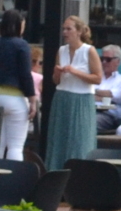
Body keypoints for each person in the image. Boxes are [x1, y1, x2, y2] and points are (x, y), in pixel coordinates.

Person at [41, 16, 100, 173]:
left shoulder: (89, 51)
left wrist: (75, 71)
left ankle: (79, 180)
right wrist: (56, 73)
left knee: (79, 141)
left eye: (69, 29)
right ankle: (56, 178)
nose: (65, 32)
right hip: (62, 98)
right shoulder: (61, 50)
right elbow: (56, 81)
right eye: (64, 29)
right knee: (59, 139)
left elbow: (97, 78)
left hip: (81, 99)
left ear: (79, 31)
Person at [0, 9, 37, 160]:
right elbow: (25, 75)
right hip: (14, 98)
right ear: (18, 25)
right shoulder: (22, 45)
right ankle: (13, 181)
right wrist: (32, 99)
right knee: (15, 147)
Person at [93, 44, 121, 134]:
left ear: (118, 61)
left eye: (108, 59)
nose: (104, 62)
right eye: (102, 59)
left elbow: (115, 96)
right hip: (90, 109)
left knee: (89, 122)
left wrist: (95, 93)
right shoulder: (96, 77)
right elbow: (87, 94)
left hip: (108, 116)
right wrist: (106, 97)